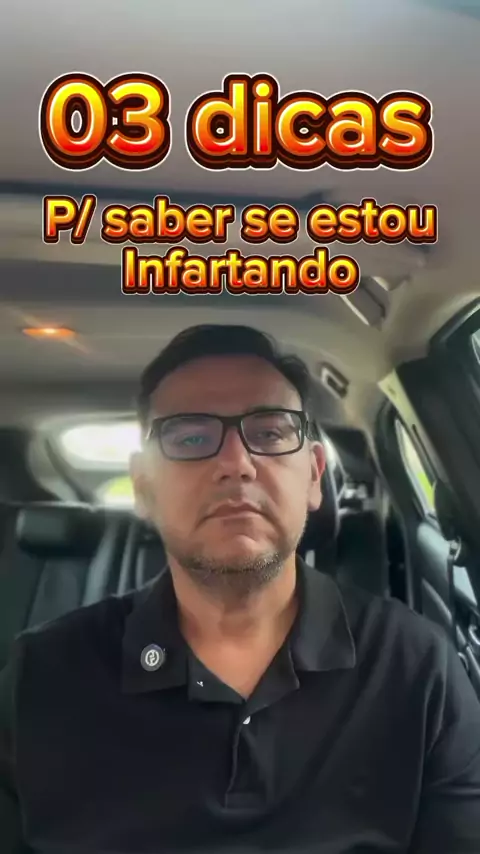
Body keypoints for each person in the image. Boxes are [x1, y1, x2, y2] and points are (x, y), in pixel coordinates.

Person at [1, 323, 480, 854]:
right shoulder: (41, 676)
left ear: (314, 475)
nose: (235, 464)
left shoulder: (416, 666)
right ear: (142, 486)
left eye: (271, 433)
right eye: (190, 438)